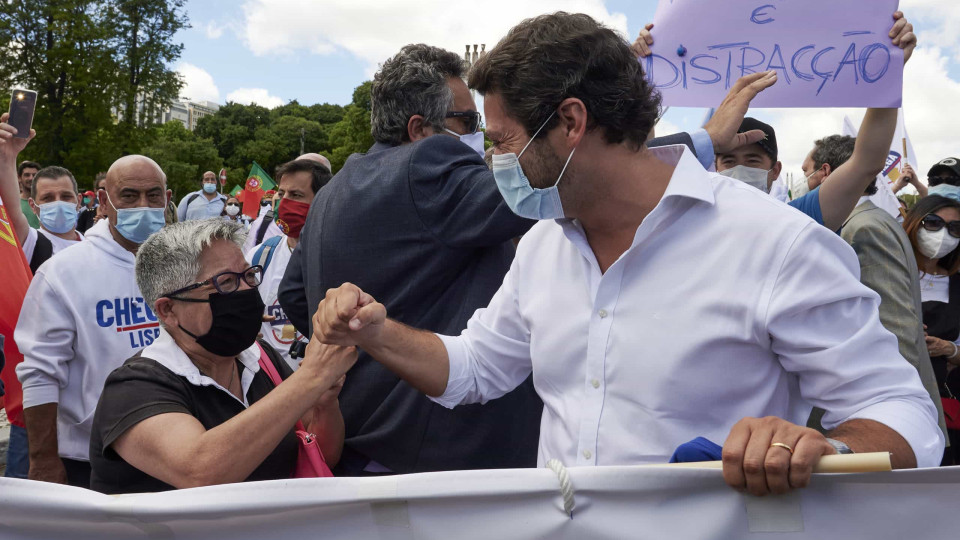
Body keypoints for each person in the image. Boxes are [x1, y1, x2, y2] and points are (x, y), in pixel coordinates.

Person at [312, 12, 942, 497]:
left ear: (572, 122)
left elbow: (905, 413)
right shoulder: (541, 248)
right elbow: (477, 367)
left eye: (502, 142)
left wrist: (822, 448)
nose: (493, 162)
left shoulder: (775, 244)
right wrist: (377, 330)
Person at [277, 34, 782, 476]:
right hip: (442, 456)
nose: (490, 150)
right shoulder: (430, 162)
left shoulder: (335, 189)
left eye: (498, 133)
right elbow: (545, 178)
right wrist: (698, 139)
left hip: (355, 439)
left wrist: (370, 339)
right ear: (418, 129)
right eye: (473, 124)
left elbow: (297, 296)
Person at [88, 219, 353, 494]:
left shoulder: (261, 359)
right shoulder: (134, 387)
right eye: (225, 282)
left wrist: (324, 402)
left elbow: (322, 454)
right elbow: (201, 472)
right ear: (168, 310)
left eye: (249, 276)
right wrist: (313, 377)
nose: (247, 291)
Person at [635, 15, 916, 233]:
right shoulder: (680, 217)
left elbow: (866, 162)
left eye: (753, 160)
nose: (740, 169)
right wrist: (638, 78)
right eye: (729, 160)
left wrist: (887, 76)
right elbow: (638, 158)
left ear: (775, 170)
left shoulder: (798, 218)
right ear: (714, 167)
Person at [15, 154, 170, 488]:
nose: (142, 205)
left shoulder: (185, 265)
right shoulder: (63, 272)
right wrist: (43, 460)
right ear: (104, 200)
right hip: (89, 460)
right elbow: (40, 372)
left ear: (167, 199)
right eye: (129, 195)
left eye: (153, 195)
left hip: (174, 454)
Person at [816, 134, 947, 439]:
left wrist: (895, 424)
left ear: (826, 172)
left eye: (810, 169)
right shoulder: (867, 221)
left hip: (881, 420)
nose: (810, 179)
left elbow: (895, 331)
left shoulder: (865, 228)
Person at [247, 159, 332, 370]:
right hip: (272, 384)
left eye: (296, 195)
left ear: (322, 200)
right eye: (281, 193)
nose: (284, 202)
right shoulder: (258, 257)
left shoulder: (341, 258)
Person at [902, 195, 960, 464]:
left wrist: (949, 349)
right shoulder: (891, 274)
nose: (943, 235)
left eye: (955, 228)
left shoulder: (956, 281)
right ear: (915, 223)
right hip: (898, 395)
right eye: (934, 223)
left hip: (947, 402)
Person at [0, 120, 86, 273]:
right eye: (48, 198)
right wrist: (8, 156)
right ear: (33, 205)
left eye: (66, 196)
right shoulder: (31, 242)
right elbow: (12, 213)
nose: (58, 203)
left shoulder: (94, 244)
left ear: (78, 201)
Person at [243, 189, 282, 253]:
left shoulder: (282, 223)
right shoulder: (256, 223)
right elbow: (248, 249)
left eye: (270, 203)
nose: (268, 206)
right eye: (264, 203)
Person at [16, 159, 40, 229]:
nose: (31, 178)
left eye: (35, 175)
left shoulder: (47, 201)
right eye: (27, 175)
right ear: (19, 178)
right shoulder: (13, 203)